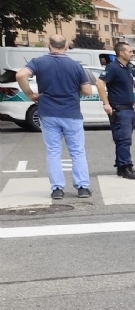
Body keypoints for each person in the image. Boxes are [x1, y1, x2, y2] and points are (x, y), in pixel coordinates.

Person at [14, 36, 94, 200]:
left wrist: (30, 94)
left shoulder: (38, 62)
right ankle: (82, 187)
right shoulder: (75, 65)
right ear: (66, 46)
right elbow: (87, 91)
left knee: (53, 152)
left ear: (48, 45)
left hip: (48, 112)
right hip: (71, 113)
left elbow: (20, 75)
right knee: (77, 151)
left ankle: (57, 189)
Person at [95, 41, 135, 180]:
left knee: (123, 139)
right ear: (121, 53)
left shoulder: (126, 67)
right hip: (120, 110)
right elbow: (99, 82)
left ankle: (122, 167)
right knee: (124, 139)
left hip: (128, 109)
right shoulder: (113, 67)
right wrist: (106, 103)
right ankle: (126, 167)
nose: (132, 53)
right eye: (129, 51)